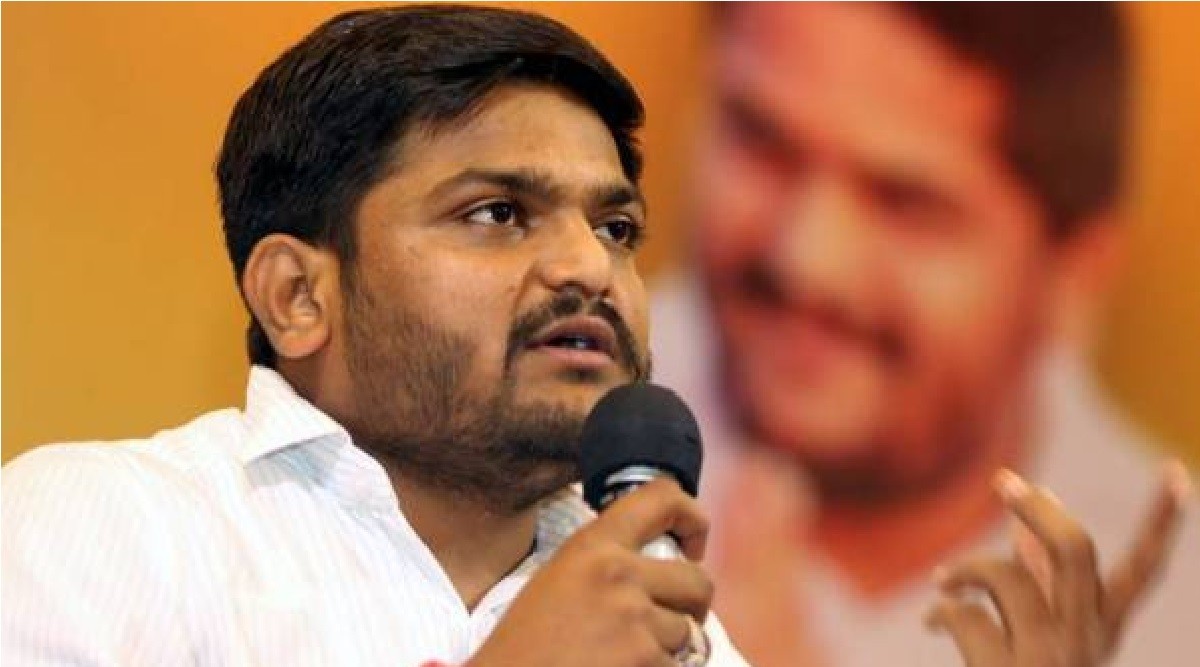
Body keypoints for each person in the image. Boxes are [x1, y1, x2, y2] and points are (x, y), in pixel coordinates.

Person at [1, 5, 1183, 667]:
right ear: (297, 296)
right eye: (496, 213)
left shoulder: (680, 630)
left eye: (615, 226)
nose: (588, 267)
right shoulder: (107, 532)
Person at [649, 3, 1198, 666]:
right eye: (764, 142)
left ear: (1075, 271)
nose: (809, 257)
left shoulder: (1176, 616)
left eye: (905, 202)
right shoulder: (547, 434)